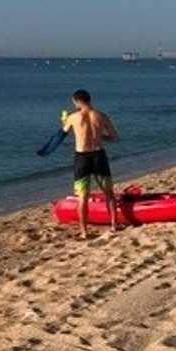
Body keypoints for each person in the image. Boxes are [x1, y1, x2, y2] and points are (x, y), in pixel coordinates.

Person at [61, 89, 120, 239]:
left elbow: (63, 132)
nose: (74, 104)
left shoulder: (73, 117)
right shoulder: (101, 116)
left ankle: (84, 232)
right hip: (98, 155)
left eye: (74, 102)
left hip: (82, 158)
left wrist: (64, 121)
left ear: (78, 101)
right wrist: (100, 136)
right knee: (109, 193)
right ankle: (113, 225)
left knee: (82, 196)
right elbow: (114, 137)